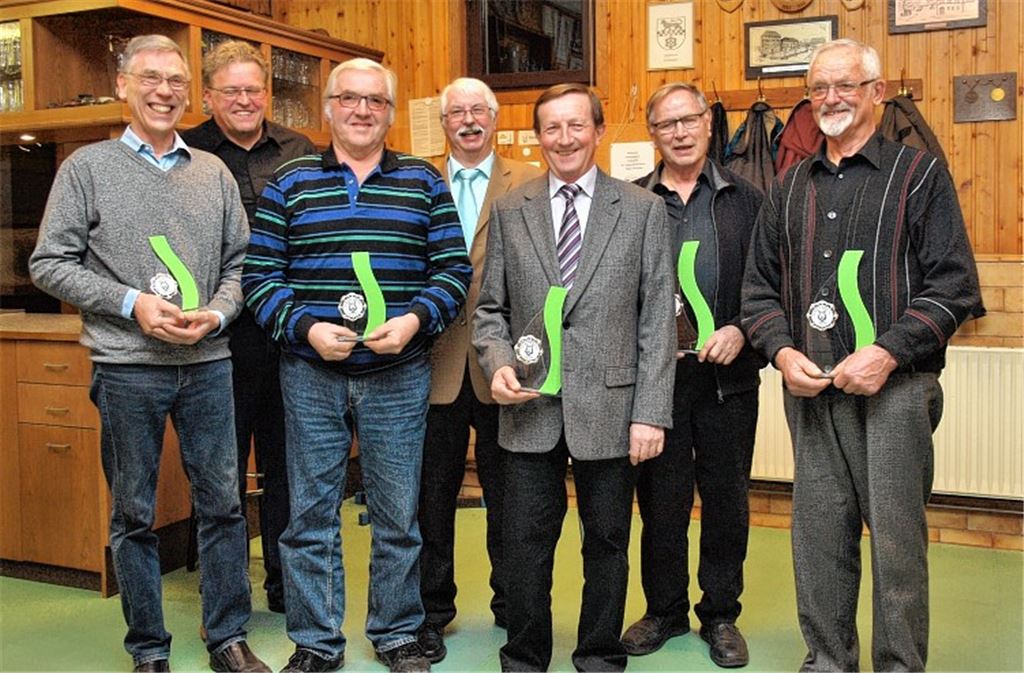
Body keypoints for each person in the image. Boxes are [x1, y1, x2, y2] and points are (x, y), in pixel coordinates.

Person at [741, 39, 985, 671]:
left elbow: (955, 285)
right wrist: (781, 350)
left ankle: (899, 665)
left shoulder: (920, 175)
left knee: (897, 543)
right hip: (813, 392)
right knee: (818, 539)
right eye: (819, 88)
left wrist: (887, 351)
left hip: (896, 392)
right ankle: (827, 660)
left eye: (846, 85)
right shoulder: (790, 185)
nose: (831, 99)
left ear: (878, 92)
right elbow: (759, 289)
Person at [29, 34, 269, 673]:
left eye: (176, 82)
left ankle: (227, 639)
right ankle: (149, 650)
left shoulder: (212, 172)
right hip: (126, 367)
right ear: (123, 86)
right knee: (133, 512)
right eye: (151, 79)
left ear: (190, 93)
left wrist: (218, 312)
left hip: (209, 364)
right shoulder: (86, 168)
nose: (165, 92)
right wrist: (133, 304)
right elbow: (49, 263)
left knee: (222, 504)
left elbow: (241, 263)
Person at [242, 57, 472, 673]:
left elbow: (454, 271)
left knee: (399, 514)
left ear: (391, 112)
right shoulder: (288, 182)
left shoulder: (424, 183)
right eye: (349, 99)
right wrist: (307, 328)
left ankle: (396, 633)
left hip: (398, 375)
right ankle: (317, 642)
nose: (362, 110)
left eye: (375, 101)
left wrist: (417, 320)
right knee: (308, 517)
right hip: (310, 373)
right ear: (328, 108)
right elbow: (259, 277)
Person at [473, 83, 676, 672]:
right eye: (552, 128)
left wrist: (650, 412)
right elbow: (490, 310)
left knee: (607, 543)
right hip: (530, 406)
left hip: (611, 410)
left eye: (576, 126)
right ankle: (525, 657)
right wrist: (498, 362)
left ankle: (599, 657)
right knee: (525, 544)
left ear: (599, 130)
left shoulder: (641, 209)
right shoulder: (513, 208)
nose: (564, 139)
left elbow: (656, 318)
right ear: (540, 137)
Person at [620, 82, 764, 669]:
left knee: (727, 500)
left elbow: (771, 285)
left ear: (709, 124)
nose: (678, 132)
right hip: (658, 382)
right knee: (660, 501)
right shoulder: (629, 202)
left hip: (728, 380)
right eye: (665, 124)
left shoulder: (749, 200)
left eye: (688, 120)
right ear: (652, 133)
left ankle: (722, 613)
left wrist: (742, 329)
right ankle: (665, 610)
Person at [181, 40, 316, 615]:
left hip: (289, 338)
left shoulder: (300, 150)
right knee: (222, 474)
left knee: (291, 470)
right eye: (230, 91)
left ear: (267, 93)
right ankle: (227, 591)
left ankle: (287, 587)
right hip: (218, 340)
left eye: (253, 90)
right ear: (209, 97)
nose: (244, 100)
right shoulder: (186, 151)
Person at [415, 77, 543, 664]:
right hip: (431, 363)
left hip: (504, 367)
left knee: (509, 495)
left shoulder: (530, 181)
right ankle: (431, 611)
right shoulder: (415, 180)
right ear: (444, 123)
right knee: (431, 498)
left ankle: (510, 601)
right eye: (456, 112)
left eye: (478, 111)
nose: (468, 120)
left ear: (494, 119)